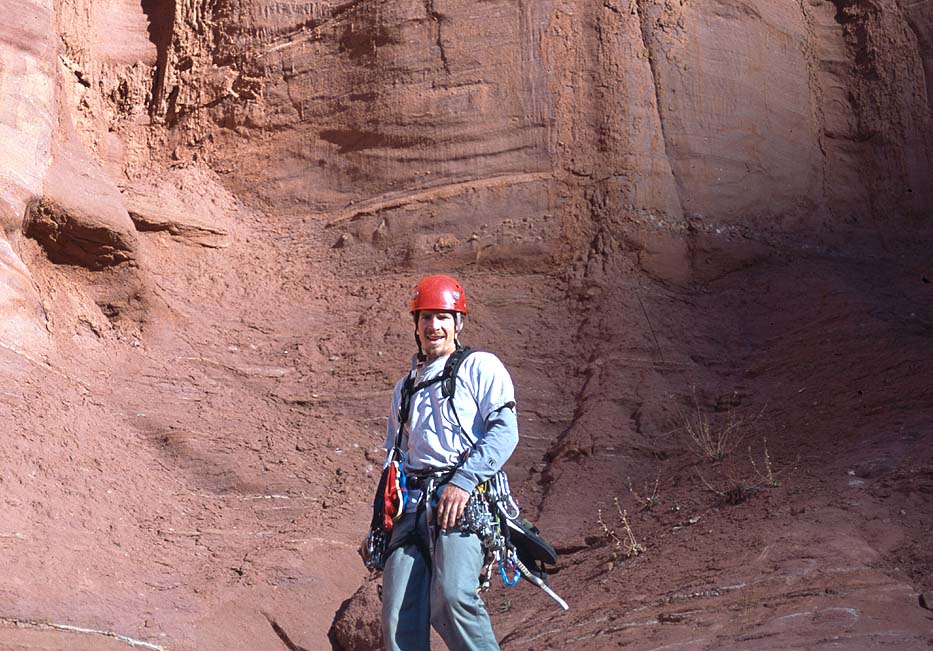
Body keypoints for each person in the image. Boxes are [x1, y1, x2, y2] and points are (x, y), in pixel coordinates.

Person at [380, 274, 519, 651]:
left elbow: (505, 432)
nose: (433, 326)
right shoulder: (405, 388)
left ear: (458, 323)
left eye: (442, 316)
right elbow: (395, 458)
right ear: (416, 325)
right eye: (426, 317)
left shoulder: (480, 367)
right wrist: (381, 521)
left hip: (463, 501)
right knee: (396, 616)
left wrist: (464, 481)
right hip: (412, 509)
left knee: (453, 596)